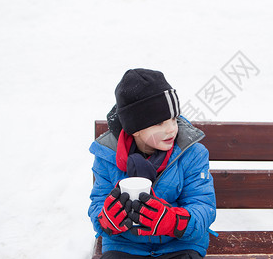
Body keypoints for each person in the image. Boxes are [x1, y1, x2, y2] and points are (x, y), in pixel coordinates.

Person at [88, 68, 216, 259]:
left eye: (173, 119)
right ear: (135, 129)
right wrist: (106, 219)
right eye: (159, 123)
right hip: (124, 245)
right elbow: (98, 203)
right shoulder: (108, 156)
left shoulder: (192, 153)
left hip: (179, 245)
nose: (171, 129)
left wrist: (173, 221)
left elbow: (203, 205)